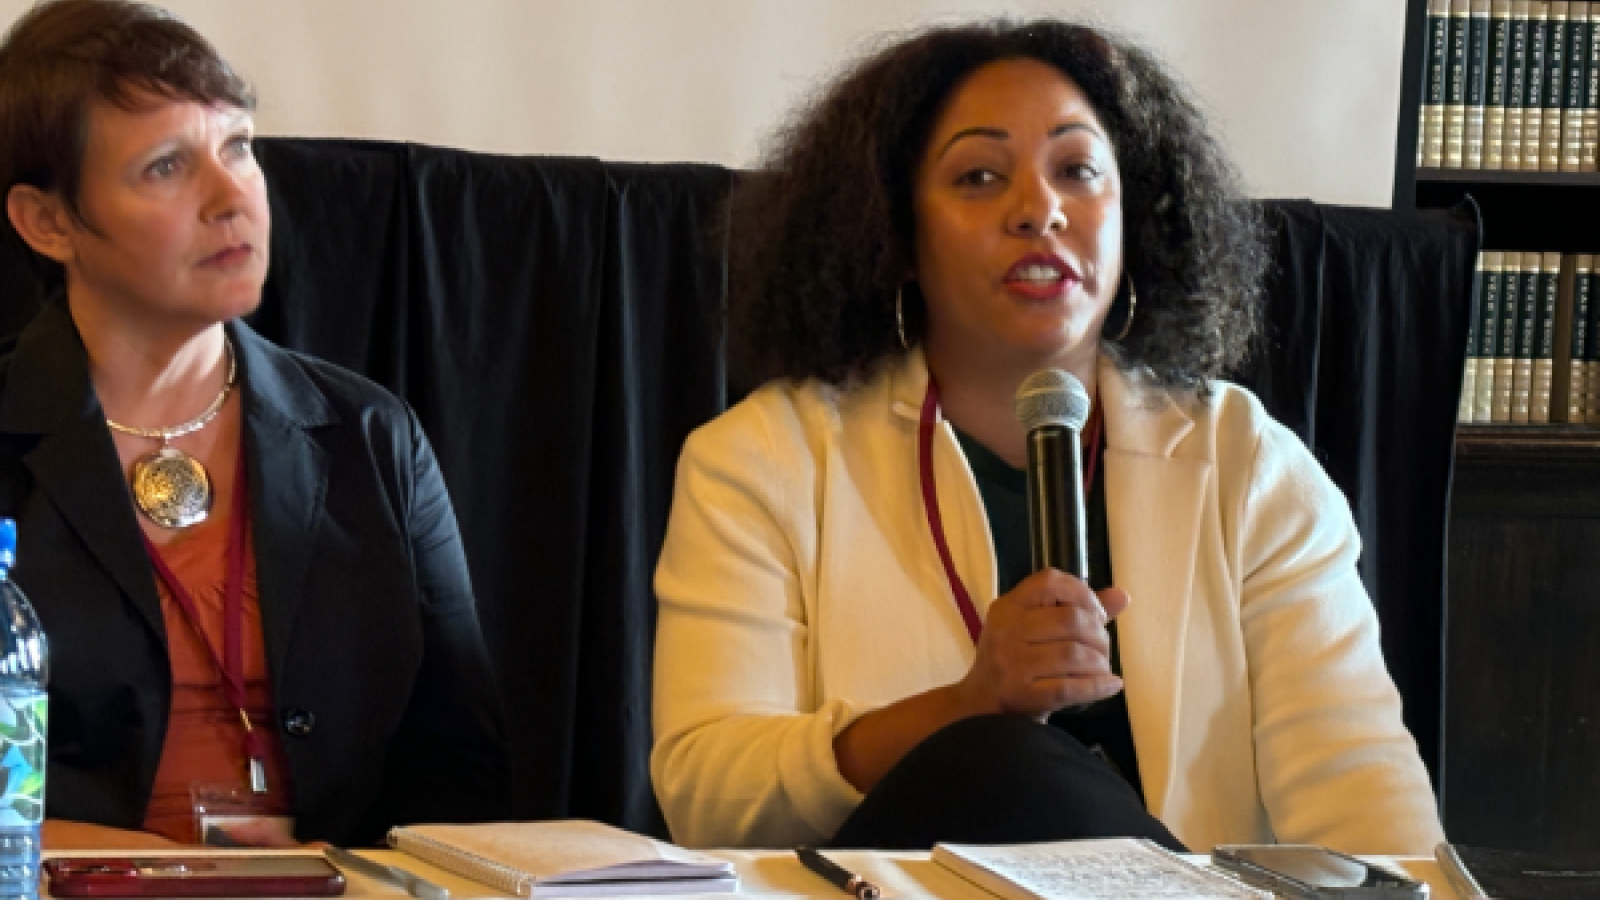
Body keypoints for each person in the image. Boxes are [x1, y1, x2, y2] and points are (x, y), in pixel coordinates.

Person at [650, 19, 1445, 854]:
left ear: (1133, 218)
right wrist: (964, 708)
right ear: (899, 237)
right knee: (1003, 767)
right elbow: (709, 795)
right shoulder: (761, 459)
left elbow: (1365, 805)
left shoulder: (1246, 462)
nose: (1039, 211)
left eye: (1078, 172)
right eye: (980, 177)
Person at [0, 0, 509, 848]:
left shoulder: (369, 435)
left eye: (237, 145)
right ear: (48, 222)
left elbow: (464, 777)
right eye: (165, 166)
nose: (230, 194)